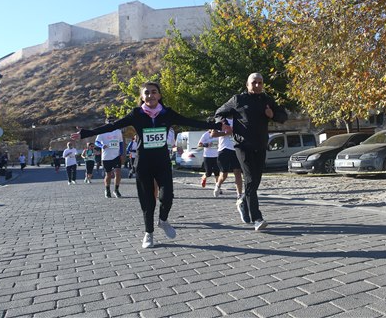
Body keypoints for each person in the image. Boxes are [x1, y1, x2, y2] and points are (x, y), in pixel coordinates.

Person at [71, 82, 225, 249]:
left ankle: (163, 220)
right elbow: (112, 126)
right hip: (143, 162)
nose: (150, 95)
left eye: (154, 92)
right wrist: (86, 133)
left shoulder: (167, 113)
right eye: (147, 93)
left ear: (159, 95)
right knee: (147, 200)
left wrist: (216, 125)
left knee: (167, 196)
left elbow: (191, 121)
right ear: (142, 97)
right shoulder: (136, 114)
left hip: (162, 161)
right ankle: (148, 233)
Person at [215, 73, 287, 231]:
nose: (257, 85)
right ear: (247, 85)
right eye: (254, 82)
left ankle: (243, 202)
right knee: (249, 179)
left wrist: (273, 115)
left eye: (260, 82)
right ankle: (257, 218)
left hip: (260, 146)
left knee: (255, 181)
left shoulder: (267, 100)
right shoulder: (238, 100)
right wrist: (224, 124)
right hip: (243, 146)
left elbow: (283, 116)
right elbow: (219, 113)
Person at [212, 118, 243, 199]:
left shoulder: (239, 120)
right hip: (224, 149)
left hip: (236, 149)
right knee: (224, 175)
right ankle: (218, 185)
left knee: (238, 173)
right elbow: (213, 134)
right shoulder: (221, 120)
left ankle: (239, 195)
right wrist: (226, 133)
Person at [95, 117, 125, 199]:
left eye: (112, 122)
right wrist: (102, 145)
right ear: (106, 123)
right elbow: (96, 142)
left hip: (116, 156)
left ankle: (116, 190)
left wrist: (121, 153)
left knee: (118, 173)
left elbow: (121, 143)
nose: (111, 124)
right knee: (108, 175)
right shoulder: (102, 131)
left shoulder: (118, 131)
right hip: (106, 157)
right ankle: (107, 189)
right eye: (109, 122)